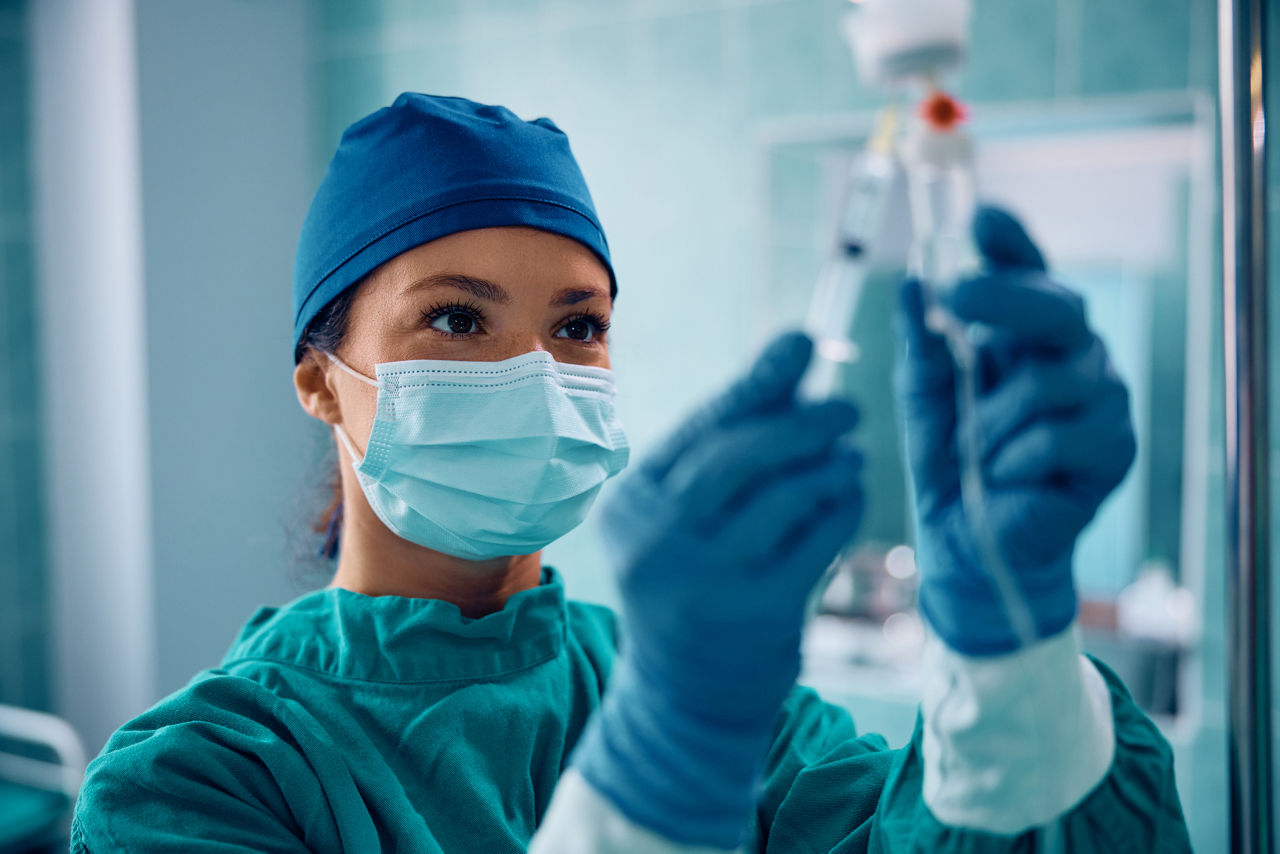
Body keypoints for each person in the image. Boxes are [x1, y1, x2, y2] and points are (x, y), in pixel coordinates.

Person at [71, 93, 1191, 853]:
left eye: (576, 326)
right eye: (456, 319)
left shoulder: (726, 709)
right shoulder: (203, 779)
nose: (532, 371)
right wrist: (660, 762)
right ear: (320, 379)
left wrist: (1015, 654)